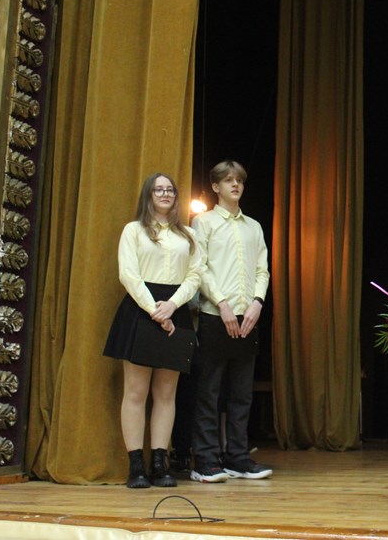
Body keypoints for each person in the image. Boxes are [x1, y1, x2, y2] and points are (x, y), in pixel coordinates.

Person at [104, 173, 203, 489]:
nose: (165, 194)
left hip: (176, 310)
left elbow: (195, 276)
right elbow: (128, 274)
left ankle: (160, 464)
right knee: (135, 391)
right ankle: (136, 466)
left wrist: (171, 306)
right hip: (140, 310)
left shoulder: (188, 235)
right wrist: (155, 310)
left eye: (170, 189)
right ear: (148, 195)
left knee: (166, 393)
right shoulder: (133, 231)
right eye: (158, 189)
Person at [190, 160, 272, 483]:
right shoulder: (203, 223)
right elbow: (200, 267)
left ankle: (237, 457)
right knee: (209, 391)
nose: (235, 185)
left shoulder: (254, 227)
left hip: (248, 316)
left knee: (241, 393)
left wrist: (257, 302)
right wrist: (222, 303)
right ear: (215, 186)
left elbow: (262, 269)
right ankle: (205, 460)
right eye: (228, 180)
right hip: (215, 316)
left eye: (239, 180)